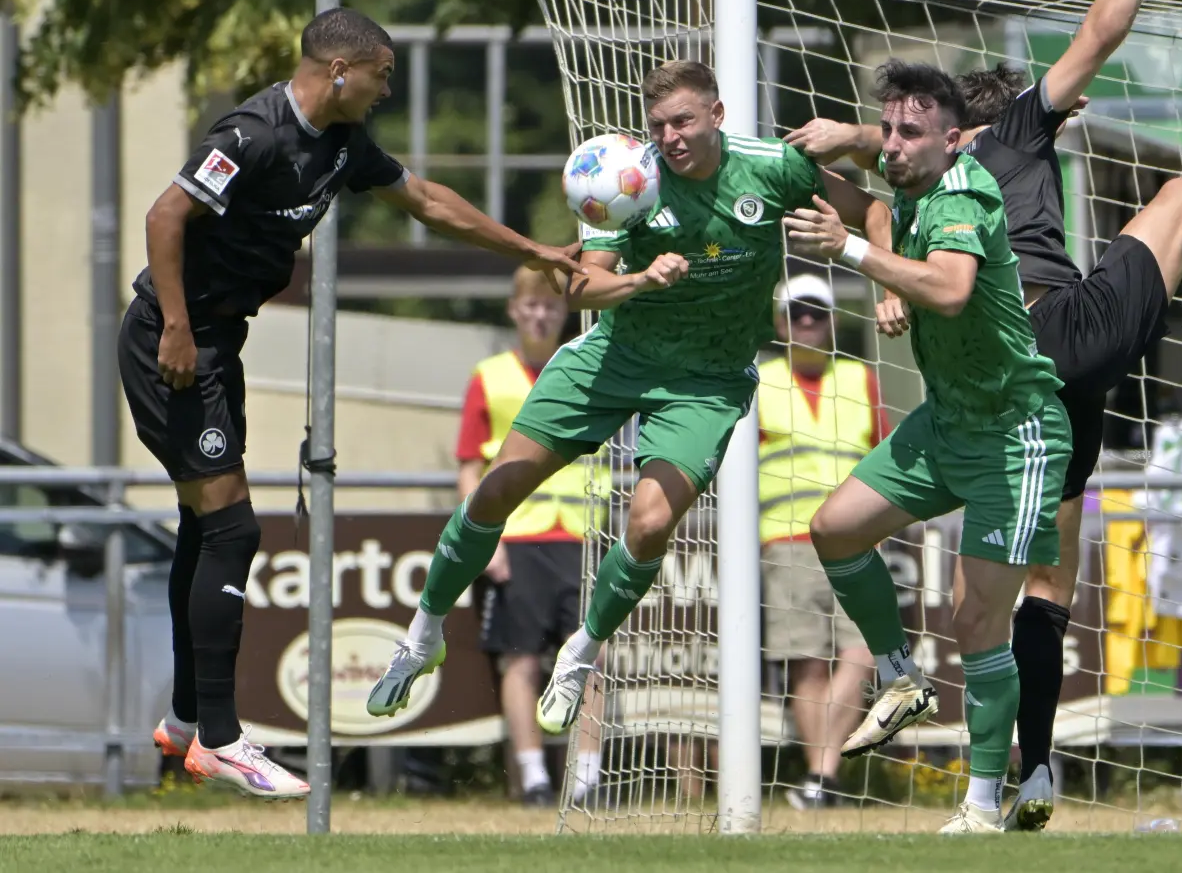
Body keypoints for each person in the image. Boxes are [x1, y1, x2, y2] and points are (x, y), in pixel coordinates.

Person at [785, 11, 1182, 825]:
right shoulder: (1004, 142)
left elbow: (880, 204)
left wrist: (845, 157)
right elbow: (1099, 32)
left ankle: (1032, 769)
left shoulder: (926, 185)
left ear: (945, 130)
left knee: (1024, 593)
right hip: (1062, 347)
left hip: (1023, 386)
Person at [130, 8, 583, 799]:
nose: (386, 89)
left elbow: (430, 201)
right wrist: (173, 325)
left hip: (214, 343)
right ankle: (225, 739)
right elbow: (165, 214)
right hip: (172, 345)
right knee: (233, 529)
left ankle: (183, 722)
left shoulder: (341, 145)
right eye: (382, 75)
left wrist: (534, 251)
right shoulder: (253, 134)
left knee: (205, 528)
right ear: (341, 71)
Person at [366, 60, 892, 735]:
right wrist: (644, 280)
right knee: (497, 489)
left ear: (717, 116)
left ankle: (581, 652)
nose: (670, 137)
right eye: (659, 125)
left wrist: (886, 281)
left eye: (683, 121)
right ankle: (422, 635)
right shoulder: (628, 176)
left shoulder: (773, 167)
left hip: (705, 382)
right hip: (613, 359)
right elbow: (579, 288)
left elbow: (874, 207)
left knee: (648, 524)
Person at [782, 60, 1072, 834]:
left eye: (914, 132)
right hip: (948, 423)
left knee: (978, 622)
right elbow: (876, 211)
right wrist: (772, 161)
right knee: (833, 528)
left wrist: (850, 252)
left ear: (953, 140)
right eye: (891, 130)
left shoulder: (965, 193)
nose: (898, 144)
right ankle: (898, 673)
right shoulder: (909, 192)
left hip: (1016, 433)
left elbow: (948, 289)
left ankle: (980, 806)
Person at [455, 265, 605, 806]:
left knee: (591, 658)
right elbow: (470, 466)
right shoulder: (490, 375)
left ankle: (586, 781)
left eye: (550, 306)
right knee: (519, 660)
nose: (540, 315)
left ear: (564, 314)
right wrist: (485, 540)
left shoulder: (588, 365)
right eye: (531, 306)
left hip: (582, 537)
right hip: (516, 538)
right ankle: (533, 776)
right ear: (515, 311)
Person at [757, 273, 886, 810]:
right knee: (806, 662)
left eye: (819, 313)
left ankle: (823, 775)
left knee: (862, 653)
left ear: (834, 321)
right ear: (779, 322)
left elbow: (885, 456)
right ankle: (822, 777)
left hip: (857, 539)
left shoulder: (862, 377)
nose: (808, 322)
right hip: (786, 541)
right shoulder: (758, 378)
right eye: (797, 313)